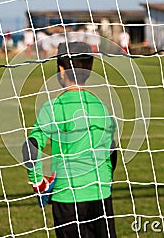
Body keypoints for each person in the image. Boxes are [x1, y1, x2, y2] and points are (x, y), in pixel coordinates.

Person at [22, 41, 117, 238]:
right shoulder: (102, 107)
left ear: (60, 69)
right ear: (90, 69)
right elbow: (112, 150)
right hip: (100, 194)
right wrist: (106, 179)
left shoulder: (53, 107)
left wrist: (38, 183)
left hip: (66, 197)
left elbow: (30, 147)